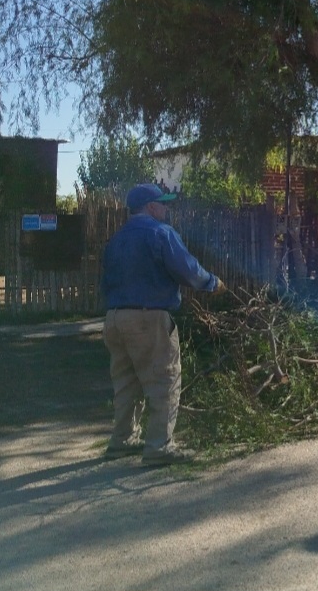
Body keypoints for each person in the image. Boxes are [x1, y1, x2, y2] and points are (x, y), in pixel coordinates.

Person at [100, 183, 227, 465]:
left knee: (125, 383)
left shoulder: (116, 239)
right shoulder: (160, 233)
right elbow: (187, 269)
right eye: (164, 204)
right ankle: (159, 447)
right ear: (151, 207)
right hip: (149, 318)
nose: (167, 209)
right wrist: (212, 283)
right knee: (164, 380)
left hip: (115, 318)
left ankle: (122, 441)